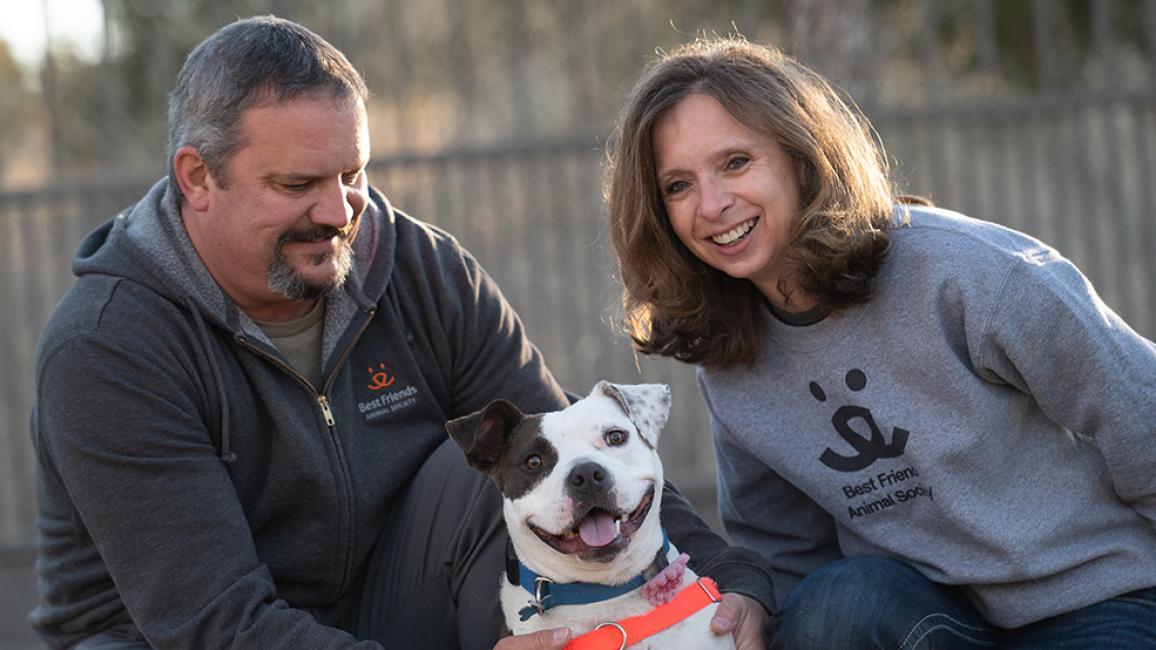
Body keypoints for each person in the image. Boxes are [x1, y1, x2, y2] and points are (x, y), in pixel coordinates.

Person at [28, 17, 775, 650]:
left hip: (389, 606)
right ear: (196, 177)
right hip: (178, 638)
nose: (339, 210)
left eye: (353, 174)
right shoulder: (108, 346)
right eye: (297, 186)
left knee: (514, 456)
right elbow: (214, 623)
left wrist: (728, 580)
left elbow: (574, 442)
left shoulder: (421, 267)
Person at [604, 36, 1156, 649]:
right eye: (678, 185)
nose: (712, 204)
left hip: (1099, 600)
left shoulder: (968, 274)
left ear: (801, 156)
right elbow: (787, 554)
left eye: (736, 162)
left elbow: (1141, 414)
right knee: (835, 603)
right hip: (928, 619)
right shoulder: (731, 360)